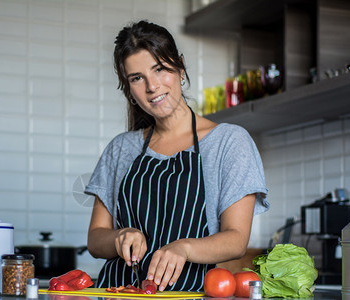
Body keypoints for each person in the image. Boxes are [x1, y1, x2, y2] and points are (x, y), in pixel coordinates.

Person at [84, 20, 269, 292]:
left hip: (187, 295)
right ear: (129, 89)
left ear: (180, 67)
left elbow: (236, 239)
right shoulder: (121, 148)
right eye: (137, 78)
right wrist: (119, 236)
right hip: (117, 294)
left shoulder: (229, 142)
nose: (152, 86)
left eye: (159, 69)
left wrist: (184, 248)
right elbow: (95, 239)